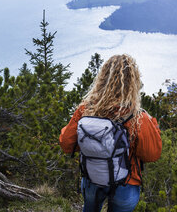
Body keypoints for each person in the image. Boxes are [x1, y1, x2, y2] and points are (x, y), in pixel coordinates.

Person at [59, 54, 162, 212]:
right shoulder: (137, 117)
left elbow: (66, 144)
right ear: (133, 83)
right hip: (126, 182)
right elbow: (152, 155)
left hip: (92, 177)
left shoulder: (86, 109)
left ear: (102, 78)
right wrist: (153, 123)